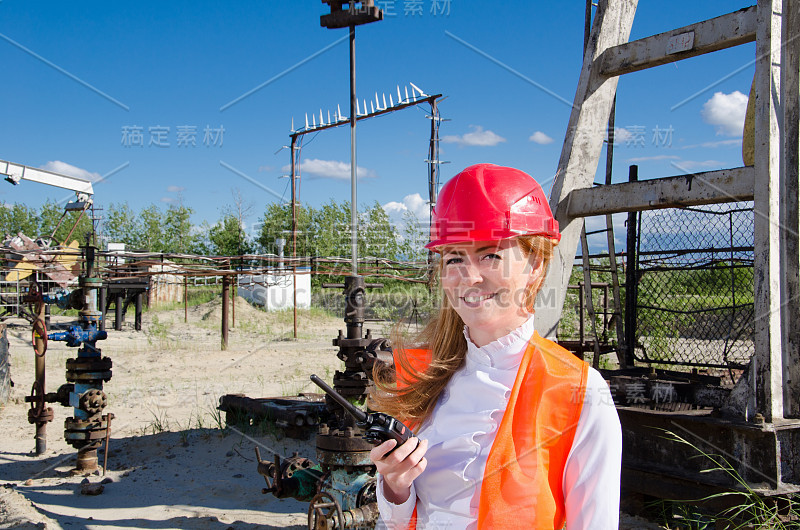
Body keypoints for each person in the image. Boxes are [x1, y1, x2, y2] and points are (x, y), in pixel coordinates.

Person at [369, 163, 622, 529]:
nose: (469, 276)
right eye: (454, 258)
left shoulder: (578, 392)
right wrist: (395, 485)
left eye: (490, 255)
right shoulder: (423, 374)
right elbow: (395, 521)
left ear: (535, 264)